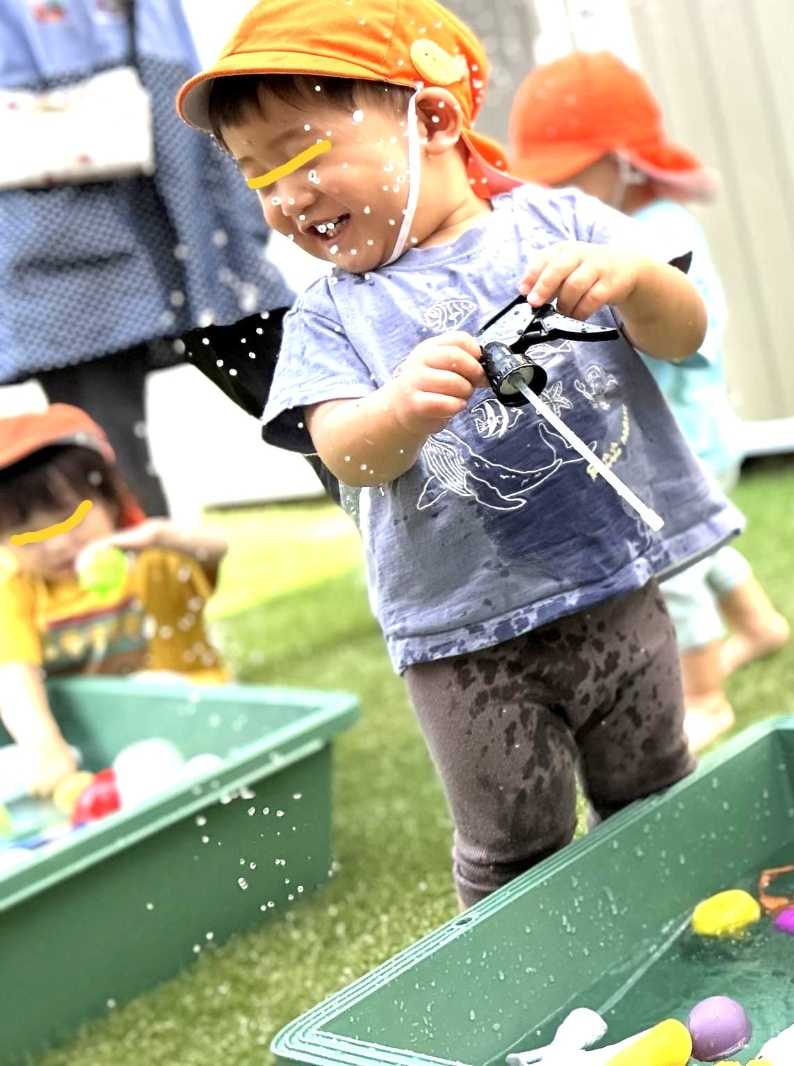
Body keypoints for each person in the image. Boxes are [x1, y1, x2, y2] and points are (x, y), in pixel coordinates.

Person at [174, 0, 742, 906]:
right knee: (513, 840)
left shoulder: (561, 222)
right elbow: (345, 453)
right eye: (257, 176)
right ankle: (524, 996)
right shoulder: (331, 314)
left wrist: (638, 280)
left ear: (433, 118)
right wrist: (397, 411)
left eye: (300, 153)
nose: (283, 196)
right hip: (461, 639)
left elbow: (682, 336)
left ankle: (682, 931)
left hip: (614, 587)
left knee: (656, 788)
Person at [507, 52, 789, 755]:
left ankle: (704, 695)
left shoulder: (660, 230)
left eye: (575, 173)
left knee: (671, 564)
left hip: (683, 436)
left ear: (627, 161)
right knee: (701, 546)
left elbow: (695, 333)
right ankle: (759, 626)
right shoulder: (601, 227)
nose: (559, 190)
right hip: (676, 436)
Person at [0, 0, 292, 517]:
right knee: (107, 451)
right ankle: (144, 591)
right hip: (56, 220)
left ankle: (432, 536)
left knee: (307, 393)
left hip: (181, 189)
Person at [0, 406, 229, 798]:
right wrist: (45, 747)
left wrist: (165, 535)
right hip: (98, 745)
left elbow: (214, 552)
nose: (56, 543)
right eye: (26, 535)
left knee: (152, 694)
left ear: (108, 499)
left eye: (70, 518)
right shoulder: (20, 590)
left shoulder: (149, 562)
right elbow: (12, 673)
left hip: (196, 720)